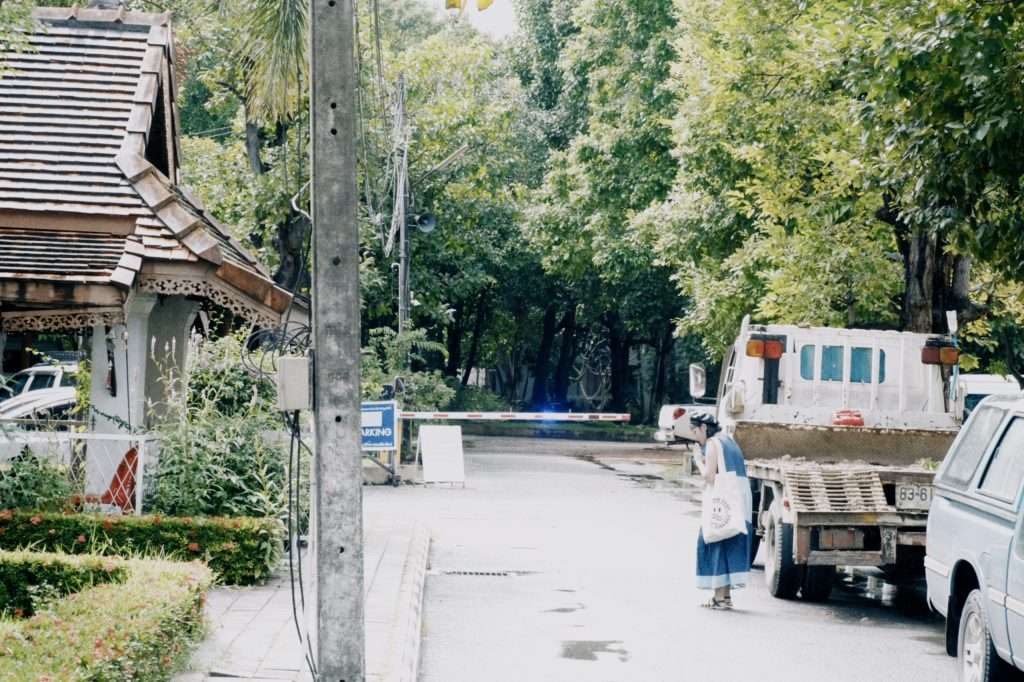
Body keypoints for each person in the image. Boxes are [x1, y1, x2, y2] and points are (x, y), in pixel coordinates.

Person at [691, 413, 752, 610]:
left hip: (722, 500)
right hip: (740, 499)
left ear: (703, 428)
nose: (694, 436)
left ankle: (718, 598)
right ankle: (725, 597)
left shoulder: (712, 444)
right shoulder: (729, 440)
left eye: (694, 431)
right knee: (729, 543)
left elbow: (709, 476)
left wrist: (698, 460)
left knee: (714, 540)